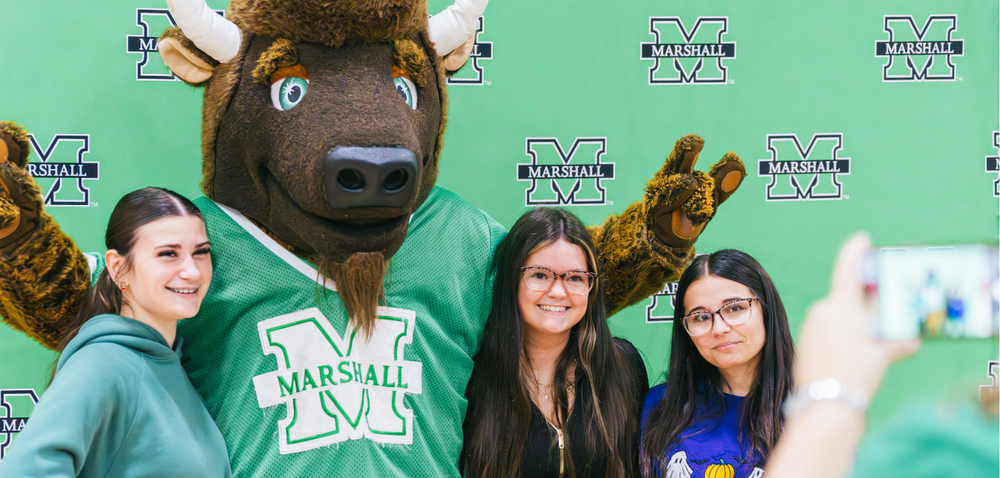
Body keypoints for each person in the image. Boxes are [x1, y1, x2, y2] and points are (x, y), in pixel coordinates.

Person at [0, 187, 231, 477]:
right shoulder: (105, 364)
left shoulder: (169, 366)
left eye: (201, 252)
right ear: (118, 267)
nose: (192, 272)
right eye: (168, 254)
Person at [462, 207, 648, 478]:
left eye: (575, 278)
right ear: (511, 280)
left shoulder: (623, 366)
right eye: (540, 275)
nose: (559, 291)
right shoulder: (472, 374)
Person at [640, 249, 795, 478]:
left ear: (767, 309)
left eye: (735, 308)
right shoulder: (661, 406)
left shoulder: (812, 410)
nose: (719, 328)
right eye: (701, 317)